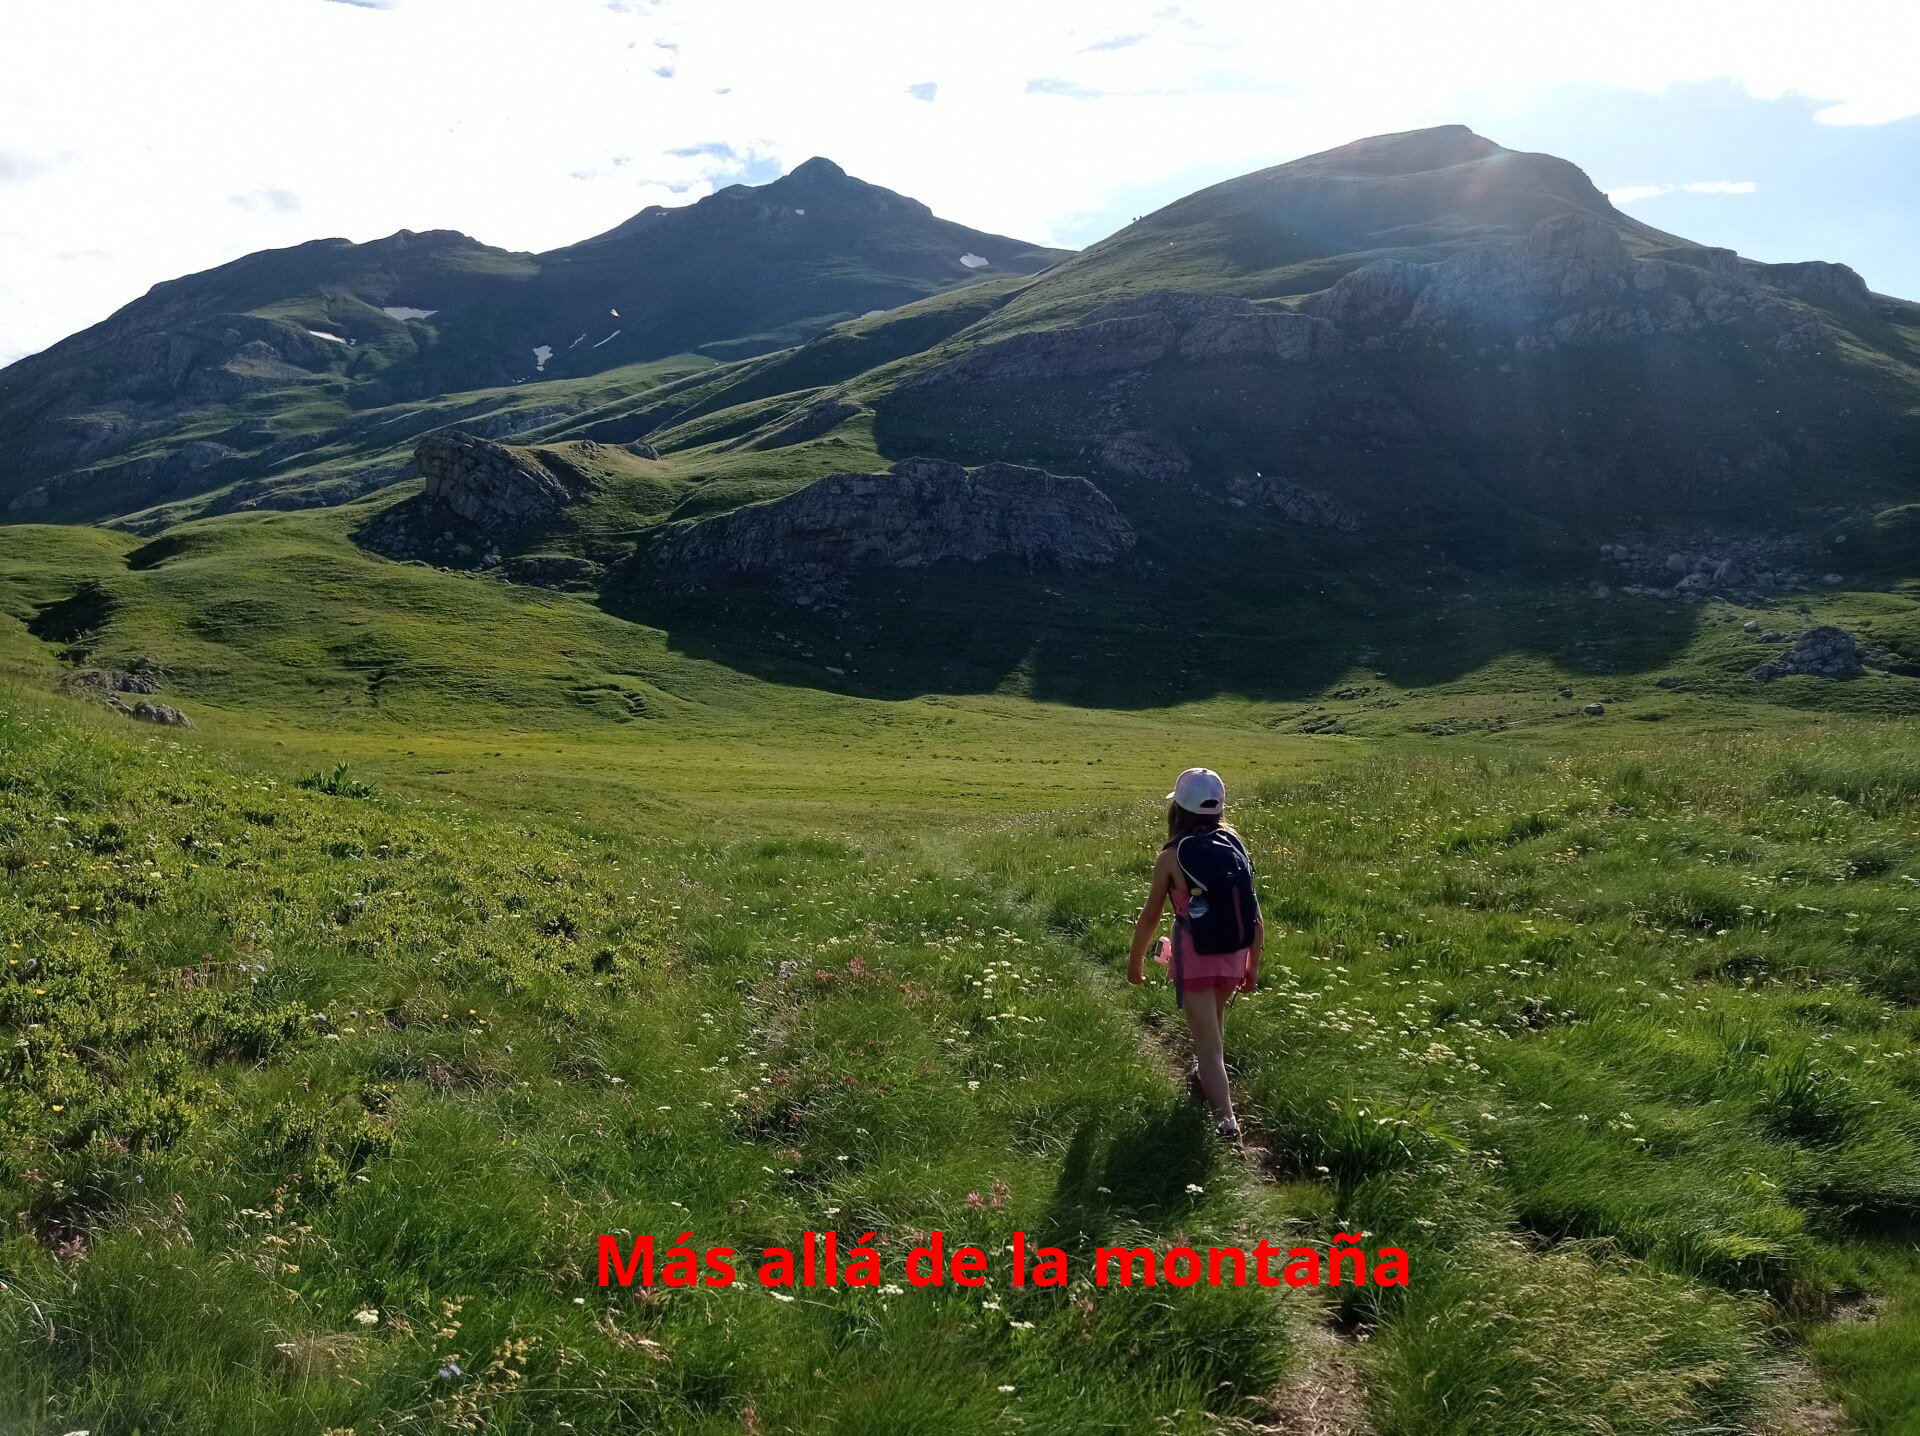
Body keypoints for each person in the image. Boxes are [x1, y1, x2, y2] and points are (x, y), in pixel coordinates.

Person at [1127, 767, 1263, 1139]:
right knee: (1214, 1029)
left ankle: (1226, 1122)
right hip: (1233, 954)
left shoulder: (1171, 856)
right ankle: (1203, 1082)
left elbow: (1151, 915)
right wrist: (1253, 964)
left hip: (1196, 955)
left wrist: (1135, 961)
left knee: (1208, 1045)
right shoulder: (1234, 843)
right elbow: (1253, 910)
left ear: (1178, 811)